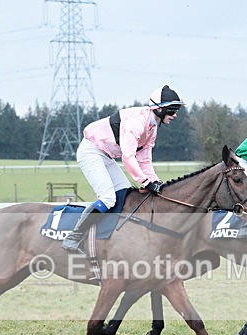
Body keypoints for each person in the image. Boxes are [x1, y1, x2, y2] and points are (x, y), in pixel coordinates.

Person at [62, 85, 185, 253]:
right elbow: (128, 157)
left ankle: (111, 237)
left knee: (124, 194)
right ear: (159, 109)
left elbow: (145, 160)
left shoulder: (152, 128)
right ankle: (74, 237)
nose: (175, 115)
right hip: (91, 151)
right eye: (172, 111)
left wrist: (154, 181)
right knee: (108, 198)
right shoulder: (136, 122)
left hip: (106, 155)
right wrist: (145, 182)